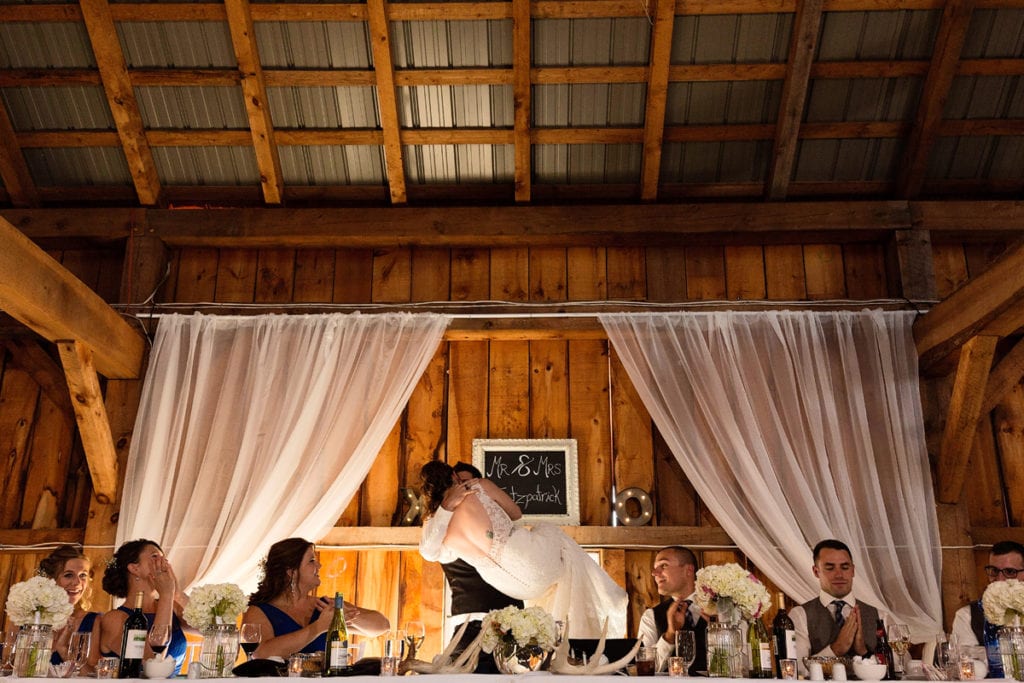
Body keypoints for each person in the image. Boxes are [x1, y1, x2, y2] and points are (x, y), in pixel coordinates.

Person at [419, 460, 628, 639]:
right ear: (454, 476)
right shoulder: (479, 485)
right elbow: (516, 513)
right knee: (551, 534)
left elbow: (429, 552)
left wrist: (447, 510)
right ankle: (608, 600)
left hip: (511, 586)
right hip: (528, 563)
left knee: (559, 581)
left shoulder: (435, 524)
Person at [420, 462, 525, 672]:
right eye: (459, 482)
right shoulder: (438, 523)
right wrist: (447, 507)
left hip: (511, 619)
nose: (465, 488)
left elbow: (515, 514)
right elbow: (429, 552)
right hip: (470, 624)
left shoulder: (496, 524)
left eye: (469, 483)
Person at [242, 538, 389, 659]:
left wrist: (348, 615)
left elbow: (382, 626)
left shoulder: (324, 606)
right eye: (311, 561)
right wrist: (318, 627)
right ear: (291, 572)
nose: (319, 565)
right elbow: (260, 653)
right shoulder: (258, 611)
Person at [98, 539, 193, 676]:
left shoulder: (174, 608)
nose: (164, 563)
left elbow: (210, 630)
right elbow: (153, 664)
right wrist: (166, 595)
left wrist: (177, 594)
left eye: (164, 559)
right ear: (134, 568)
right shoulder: (114, 619)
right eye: (155, 557)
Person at [790, 539, 881, 663]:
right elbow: (797, 670)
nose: (839, 575)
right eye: (830, 568)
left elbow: (899, 667)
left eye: (845, 567)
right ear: (816, 572)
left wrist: (864, 652)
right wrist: (835, 649)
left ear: (853, 570)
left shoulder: (880, 616)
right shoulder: (799, 616)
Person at [951, 540, 1024, 678]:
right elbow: (966, 662)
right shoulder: (967, 615)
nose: (1000, 579)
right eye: (994, 571)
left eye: (1010, 572)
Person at [636, 546, 707, 674]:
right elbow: (645, 670)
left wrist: (719, 628)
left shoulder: (722, 609)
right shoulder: (650, 616)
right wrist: (669, 635)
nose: (654, 573)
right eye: (655, 568)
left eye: (663, 566)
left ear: (688, 570)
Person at [38, 544, 102, 671]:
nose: (77, 583)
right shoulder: (27, 617)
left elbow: (90, 676)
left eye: (83, 575)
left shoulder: (92, 621)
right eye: (68, 575)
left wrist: (63, 649)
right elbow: (6, 668)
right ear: (52, 579)